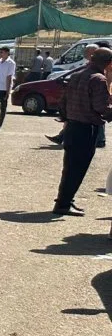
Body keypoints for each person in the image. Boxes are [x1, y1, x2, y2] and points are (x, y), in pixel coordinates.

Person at [52, 48, 112, 216]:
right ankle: (64, 204)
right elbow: (101, 107)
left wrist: (65, 118)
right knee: (78, 169)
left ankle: (64, 200)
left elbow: (63, 101)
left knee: (69, 167)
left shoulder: (77, 76)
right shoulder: (98, 79)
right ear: (109, 63)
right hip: (86, 129)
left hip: (72, 126)